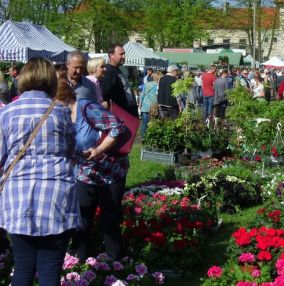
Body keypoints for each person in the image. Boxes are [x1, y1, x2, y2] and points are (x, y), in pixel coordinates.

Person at [0, 58, 80, 285]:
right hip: (56, 195)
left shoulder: (7, 113)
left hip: (17, 196)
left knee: (23, 267)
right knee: (50, 270)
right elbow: (72, 151)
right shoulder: (61, 112)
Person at [58, 78, 129, 262]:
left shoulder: (86, 107)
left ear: (62, 97)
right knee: (82, 218)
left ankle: (116, 262)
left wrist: (99, 150)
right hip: (85, 173)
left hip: (109, 172)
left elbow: (117, 127)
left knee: (109, 219)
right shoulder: (63, 116)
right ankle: (80, 261)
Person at [100, 44, 139, 118]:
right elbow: (105, 94)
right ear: (111, 55)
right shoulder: (109, 71)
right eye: (121, 54)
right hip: (122, 115)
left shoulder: (118, 70)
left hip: (129, 113)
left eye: (124, 54)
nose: (124, 56)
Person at [140, 72, 162, 138]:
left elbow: (142, 95)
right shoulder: (159, 85)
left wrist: (140, 105)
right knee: (154, 122)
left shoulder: (147, 84)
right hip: (154, 107)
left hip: (145, 106)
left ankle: (143, 137)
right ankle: (152, 137)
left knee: (144, 123)